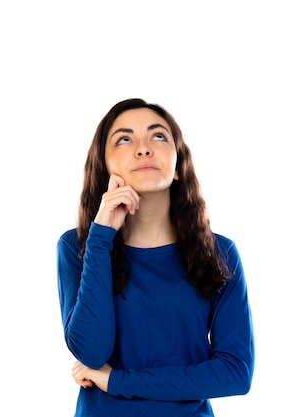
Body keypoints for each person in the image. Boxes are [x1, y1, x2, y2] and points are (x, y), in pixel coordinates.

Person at [56, 98, 254, 416]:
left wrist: (119, 381)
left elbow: (235, 373)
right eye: (124, 139)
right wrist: (100, 239)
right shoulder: (77, 247)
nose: (143, 148)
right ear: (104, 165)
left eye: (158, 136)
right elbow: (92, 352)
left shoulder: (219, 253)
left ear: (178, 166)